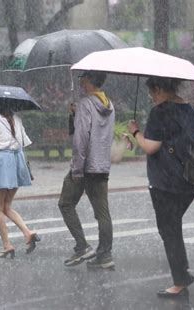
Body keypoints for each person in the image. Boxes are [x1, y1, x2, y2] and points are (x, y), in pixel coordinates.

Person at [127, 77, 194, 298]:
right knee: (172, 227)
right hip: (190, 182)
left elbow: (150, 147)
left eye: (153, 92)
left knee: (169, 230)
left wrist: (135, 132)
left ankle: (180, 280)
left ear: (161, 88)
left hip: (165, 183)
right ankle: (182, 275)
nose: (151, 96)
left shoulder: (160, 112)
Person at [59, 71, 116, 269]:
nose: (80, 80)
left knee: (65, 203)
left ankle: (82, 246)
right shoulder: (109, 104)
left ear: (90, 80)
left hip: (85, 166)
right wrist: (75, 116)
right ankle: (105, 255)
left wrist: (76, 168)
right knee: (103, 213)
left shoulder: (86, 104)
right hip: (101, 166)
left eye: (83, 77)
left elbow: (80, 139)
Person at [0, 106, 40, 258]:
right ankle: (28, 232)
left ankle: (7, 245)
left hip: (3, 161)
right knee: (6, 206)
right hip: (18, 161)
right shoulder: (17, 118)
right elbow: (24, 142)